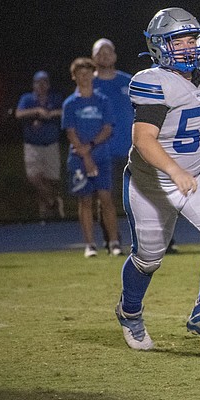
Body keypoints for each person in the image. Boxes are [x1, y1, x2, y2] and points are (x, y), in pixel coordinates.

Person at [114, 7, 200, 351]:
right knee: (148, 260)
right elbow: (143, 139)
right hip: (152, 182)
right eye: (177, 41)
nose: (188, 47)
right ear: (158, 47)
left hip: (198, 173)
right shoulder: (153, 82)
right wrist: (174, 170)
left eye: (192, 39)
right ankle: (129, 312)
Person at [61, 57, 121, 257]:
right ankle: (90, 245)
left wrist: (91, 147)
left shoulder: (102, 100)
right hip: (78, 158)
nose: (85, 77)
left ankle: (114, 242)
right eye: (80, 74)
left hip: (101, 155)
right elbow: (70, 132)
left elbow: (107, 128)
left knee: (106, 198)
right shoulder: (70, 104)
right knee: (85, 200)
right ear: (74, 77)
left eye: (88, 73)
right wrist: (85, 155)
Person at [91, 38, 137, 247]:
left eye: (108, 51)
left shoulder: (128, 82)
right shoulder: (88, 85)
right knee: (105, 197)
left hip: (131, 148)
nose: (105, 55)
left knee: (139, 197)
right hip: (102, 149)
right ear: (93, 58)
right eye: (100, 52)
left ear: (115, 56)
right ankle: (112, 239)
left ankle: (152, 240)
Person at [15, 71, 65, 221]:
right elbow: (18, 114)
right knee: (34, 178)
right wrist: (36, 112)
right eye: (38, 82)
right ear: (33, 85)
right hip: (33, 145)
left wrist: (50, 114)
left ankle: (46, 214)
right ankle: (52, 202)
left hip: (51, 144)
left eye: (44, 82)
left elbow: (65, 111)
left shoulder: (55, 99)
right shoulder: (27, 99)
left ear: (48, 85)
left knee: (51, 180)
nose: (41, 85)